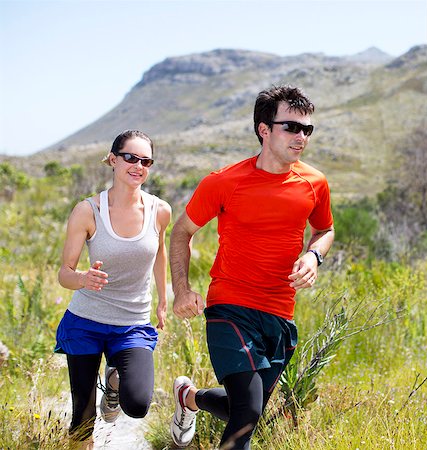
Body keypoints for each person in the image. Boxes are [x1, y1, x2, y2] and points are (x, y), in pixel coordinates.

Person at [169, 85, 334, 449]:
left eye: (308, 129)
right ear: (264, 129)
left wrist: (314, 255)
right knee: (246, 414)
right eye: (291, 127)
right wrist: (182, 289)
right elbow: (181, 232)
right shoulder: (224, 181)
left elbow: (324, 229)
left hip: (280, 312)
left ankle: (188, 398)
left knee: (246, 409)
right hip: (230, 305)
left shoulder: (314, 182)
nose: (301, 136)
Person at [55, 130, 171, 447]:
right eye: (130, 158)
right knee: (83, 416)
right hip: (86, 321)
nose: (138, 166)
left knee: (138, 404)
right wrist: (82, 279)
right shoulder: (87, 211)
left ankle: (116, 380)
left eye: (145, 160)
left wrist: (162, 300)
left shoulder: (160, 210)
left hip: (131, 323)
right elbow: (64, 274)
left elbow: (160, 252)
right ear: (112, 159)